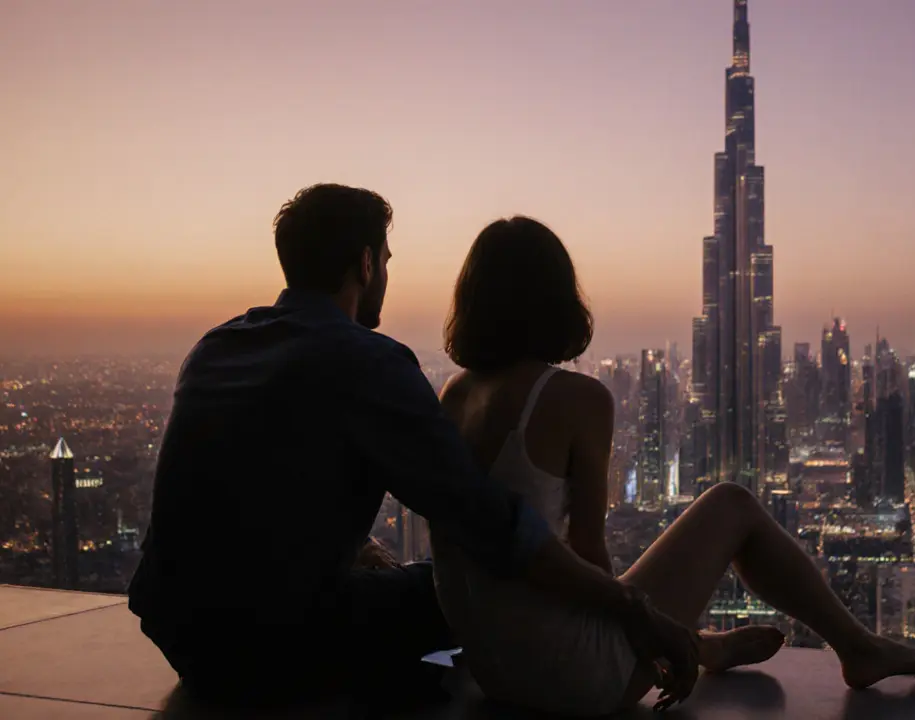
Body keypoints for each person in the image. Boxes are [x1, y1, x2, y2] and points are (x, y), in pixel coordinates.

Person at [127, 185, 699, 711]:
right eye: (387, 263)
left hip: (182, 637)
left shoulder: (216, 347)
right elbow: (489, 523)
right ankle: (689, 648)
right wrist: (633, 608)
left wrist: (353, 546)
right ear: (367, 263)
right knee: (451, 589)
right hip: (277, 647)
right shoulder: (367, 361)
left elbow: (247, 490)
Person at [432, 217, 915, 716]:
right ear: (556, 299)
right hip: (571, 678)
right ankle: (858, 646)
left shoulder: (451, 397)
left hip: (493, 669)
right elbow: (588, 553)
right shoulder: (575, 398)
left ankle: (702, 643)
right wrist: (647, 634)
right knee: (732, 503)